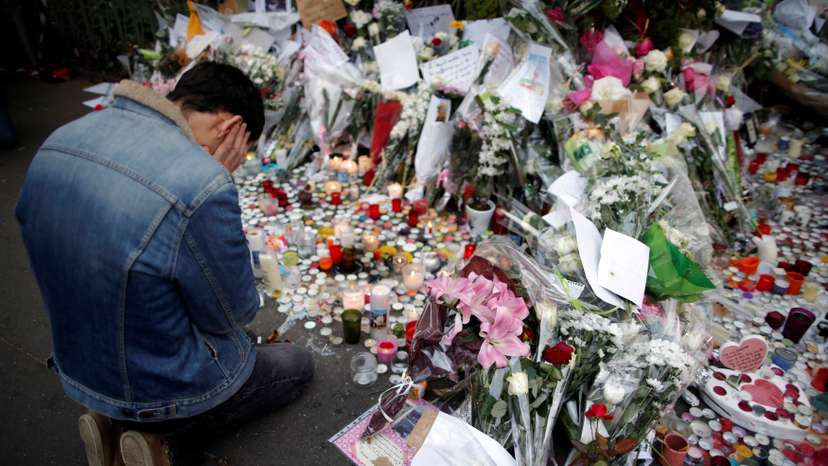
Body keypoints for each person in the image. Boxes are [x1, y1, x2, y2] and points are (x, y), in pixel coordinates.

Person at [15, 62, 314, 466]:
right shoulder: (199, 182)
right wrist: (214, 176)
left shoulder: (63, 137)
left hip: (80, 363)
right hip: (153, 380)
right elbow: (233, 312)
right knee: (295, 365)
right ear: (230, 128)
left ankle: (110, 424)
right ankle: (164, 442)